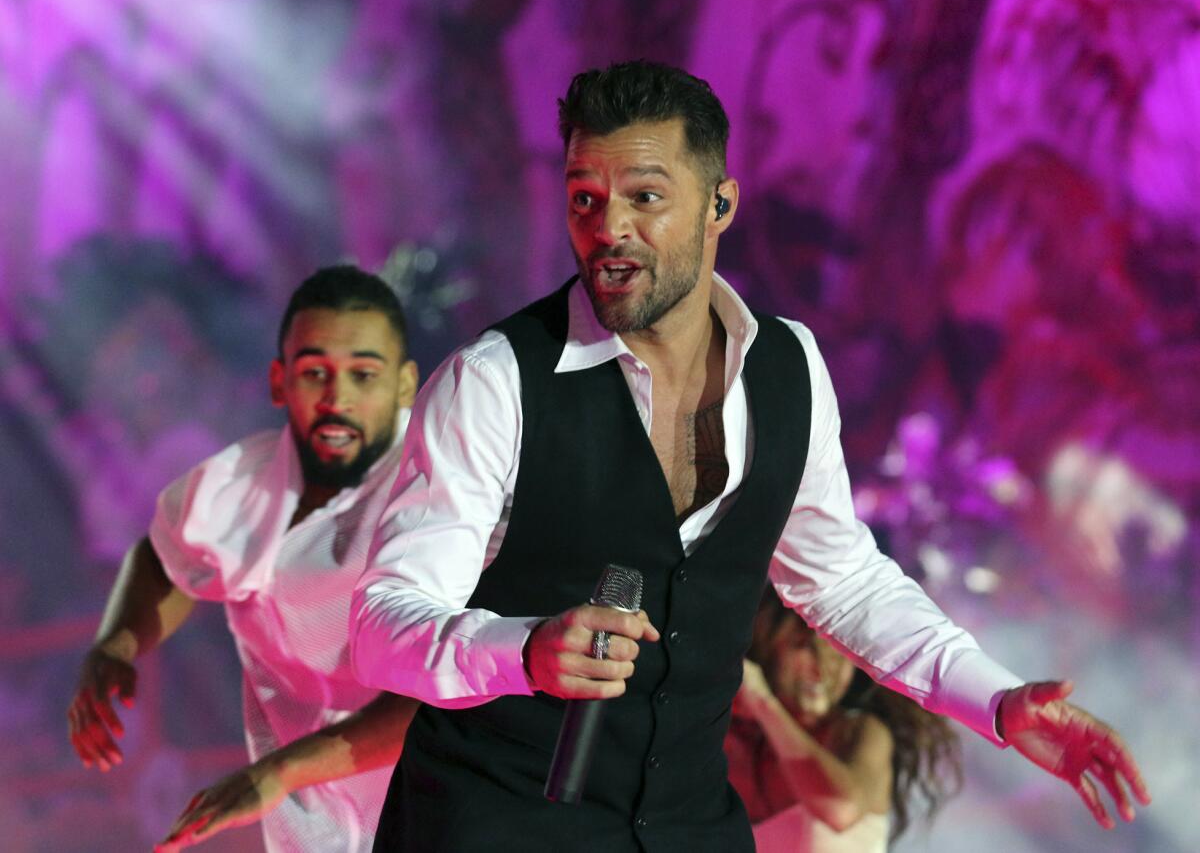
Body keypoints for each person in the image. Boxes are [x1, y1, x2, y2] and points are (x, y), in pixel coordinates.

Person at [349, 61, 1150, 852]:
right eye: (584, 199)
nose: (608, 228)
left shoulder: (788, 367)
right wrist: (522, 651)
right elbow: (383, 622)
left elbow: (843, 579)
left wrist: (1001, 704)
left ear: (719, 205)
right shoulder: (495, 381)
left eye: (646, 197)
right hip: (495, 826)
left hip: (686, 825)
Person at [67, 266, 422, 852]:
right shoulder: (238, 483)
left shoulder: (446, 487)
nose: (338, 399)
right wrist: (117, 644)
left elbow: (438, 699)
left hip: (439, 822)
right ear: (280, 382)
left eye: (364, 375)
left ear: (406, 385)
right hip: (313, 838)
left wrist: (278, 772)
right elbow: (163, 558)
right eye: (315, 374)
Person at [726, 594, 962, 852]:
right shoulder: (734, 743)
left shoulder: (858, 731)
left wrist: (764, 704)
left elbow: (839, 808)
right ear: (765, 643)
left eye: (839, 653)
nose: (823, 669)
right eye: (803, 646)